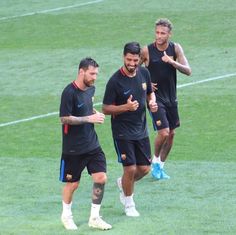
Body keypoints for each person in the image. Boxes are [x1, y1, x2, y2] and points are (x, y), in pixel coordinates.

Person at [102, 42, 158, 217]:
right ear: (123, 57)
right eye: (129, 60)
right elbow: (105, 108)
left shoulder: (144, 73)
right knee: (130, 169)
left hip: (141, 129)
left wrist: (152, 102)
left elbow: (149, 92)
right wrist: (125, 107)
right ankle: (129, 204)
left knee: (145, 169)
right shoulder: (115, 81)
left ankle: (124, 184)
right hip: (122, 132)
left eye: (135, 60)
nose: (132, 63)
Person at [59, 57, 112, 231]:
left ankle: (94, 217)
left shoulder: (91, 89)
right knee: (73, 184)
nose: (95, 77)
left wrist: (93, 112)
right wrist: (89, 118)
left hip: (92, 144)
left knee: (101, 177)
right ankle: (66, 215)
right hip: (73, 148)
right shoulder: (69, 92)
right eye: (92, 73)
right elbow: (64, 118)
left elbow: (86, 106)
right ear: (81, 71)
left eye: (96, 73)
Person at [140, 18, 192, 180]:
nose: (159, 36)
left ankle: (160, 167)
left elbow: (188, 70)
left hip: (171, 98)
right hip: (154, 99)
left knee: (172, 134)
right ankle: (154, 162)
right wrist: (145, 83)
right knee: (164, 132)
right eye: (157, 32)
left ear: (170, 34)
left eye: (163, 33)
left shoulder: (175, 48)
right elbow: (133, 69)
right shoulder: (147, 50)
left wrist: (172, 62)